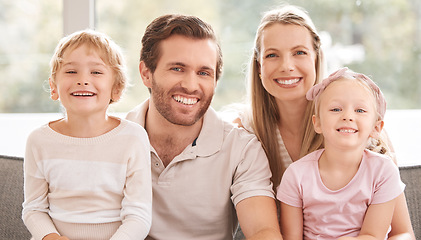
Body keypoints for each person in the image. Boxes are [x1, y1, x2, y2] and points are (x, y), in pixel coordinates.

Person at [234, 5, 415, 239]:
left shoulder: (357, 125)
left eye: (299, 52)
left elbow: (402, 232)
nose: (287, 65)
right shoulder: (246, 133)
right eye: (272, 55)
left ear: (317, 59)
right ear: (259, 67)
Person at [126, 14, 281, 240]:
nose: (191, 85)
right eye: (177, 69)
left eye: (203, 73)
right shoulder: (112, 137)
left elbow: (263, 231)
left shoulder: (241, 149)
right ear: (146, 74)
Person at [22, 30, 152, 240]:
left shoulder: (133, 138)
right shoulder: (38, 141)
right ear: (53, 87)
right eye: (71, 72)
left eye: (96, 72)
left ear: (116, 89)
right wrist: (51, 237)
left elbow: (139, 215)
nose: (83, 80)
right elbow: (33, 209)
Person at [277, 67, 405, 239]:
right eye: (336, 109)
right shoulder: (295, 175)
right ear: (318, 123)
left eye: (360, 110)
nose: (348, 116)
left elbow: (372, 235)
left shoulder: (383, 171)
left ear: (376, 128)